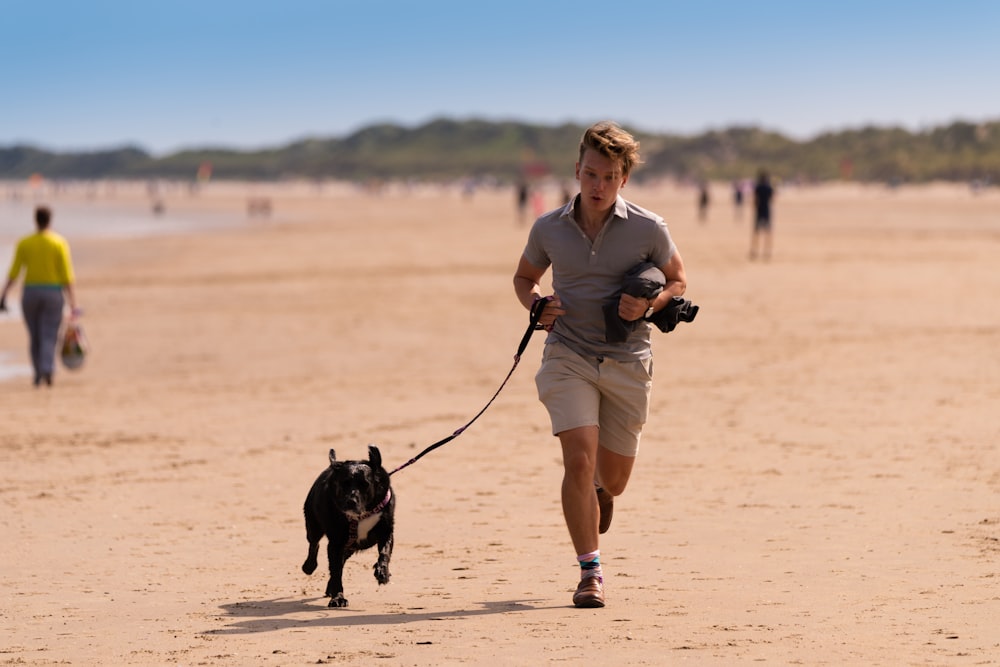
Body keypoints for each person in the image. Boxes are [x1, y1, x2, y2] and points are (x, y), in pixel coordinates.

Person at [512, 121, 687, 608]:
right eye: (590, 174)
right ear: (577, 170)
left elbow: (678, 281)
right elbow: (525, 277)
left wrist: (649, 306)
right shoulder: (548, 227)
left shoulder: (649, 227)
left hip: (628, 359)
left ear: (624, 178)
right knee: (578, 458)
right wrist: (536, 304)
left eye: (609, 177)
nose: (598, 186)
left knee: (612, 479)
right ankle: (591, 572)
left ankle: (598, 491)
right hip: (567, 353)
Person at [0, 206, 81, 386]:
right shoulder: (59, 242)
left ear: (35, 220)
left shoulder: (25, 242)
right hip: (53, 293)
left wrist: (4, 295)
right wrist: (73, 303)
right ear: (50, 220)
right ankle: (47, 369)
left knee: (35, 334)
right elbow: (67, 275)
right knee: (49, 334)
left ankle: (38, 371)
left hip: (30, 293)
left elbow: (14, 272)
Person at [750, 169, 775, 260]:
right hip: (767, 211)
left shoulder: (758, 187)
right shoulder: (769, 188)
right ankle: (767, 251)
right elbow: (772, 199)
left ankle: (754, 251)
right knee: (767, 232)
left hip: (759, 211)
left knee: (756, 232)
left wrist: (755, 207)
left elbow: (755, 200)